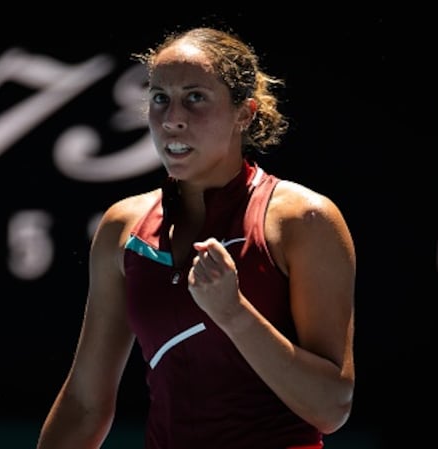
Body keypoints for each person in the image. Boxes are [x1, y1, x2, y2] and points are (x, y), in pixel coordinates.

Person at [36, 25, 356, 449]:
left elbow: (331, 408)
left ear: (245, 113)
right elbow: (84, 404)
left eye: (196, 97)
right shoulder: (123, 229)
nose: (172, 119)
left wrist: (234, 314)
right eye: (159, 98)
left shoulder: (304, 220)